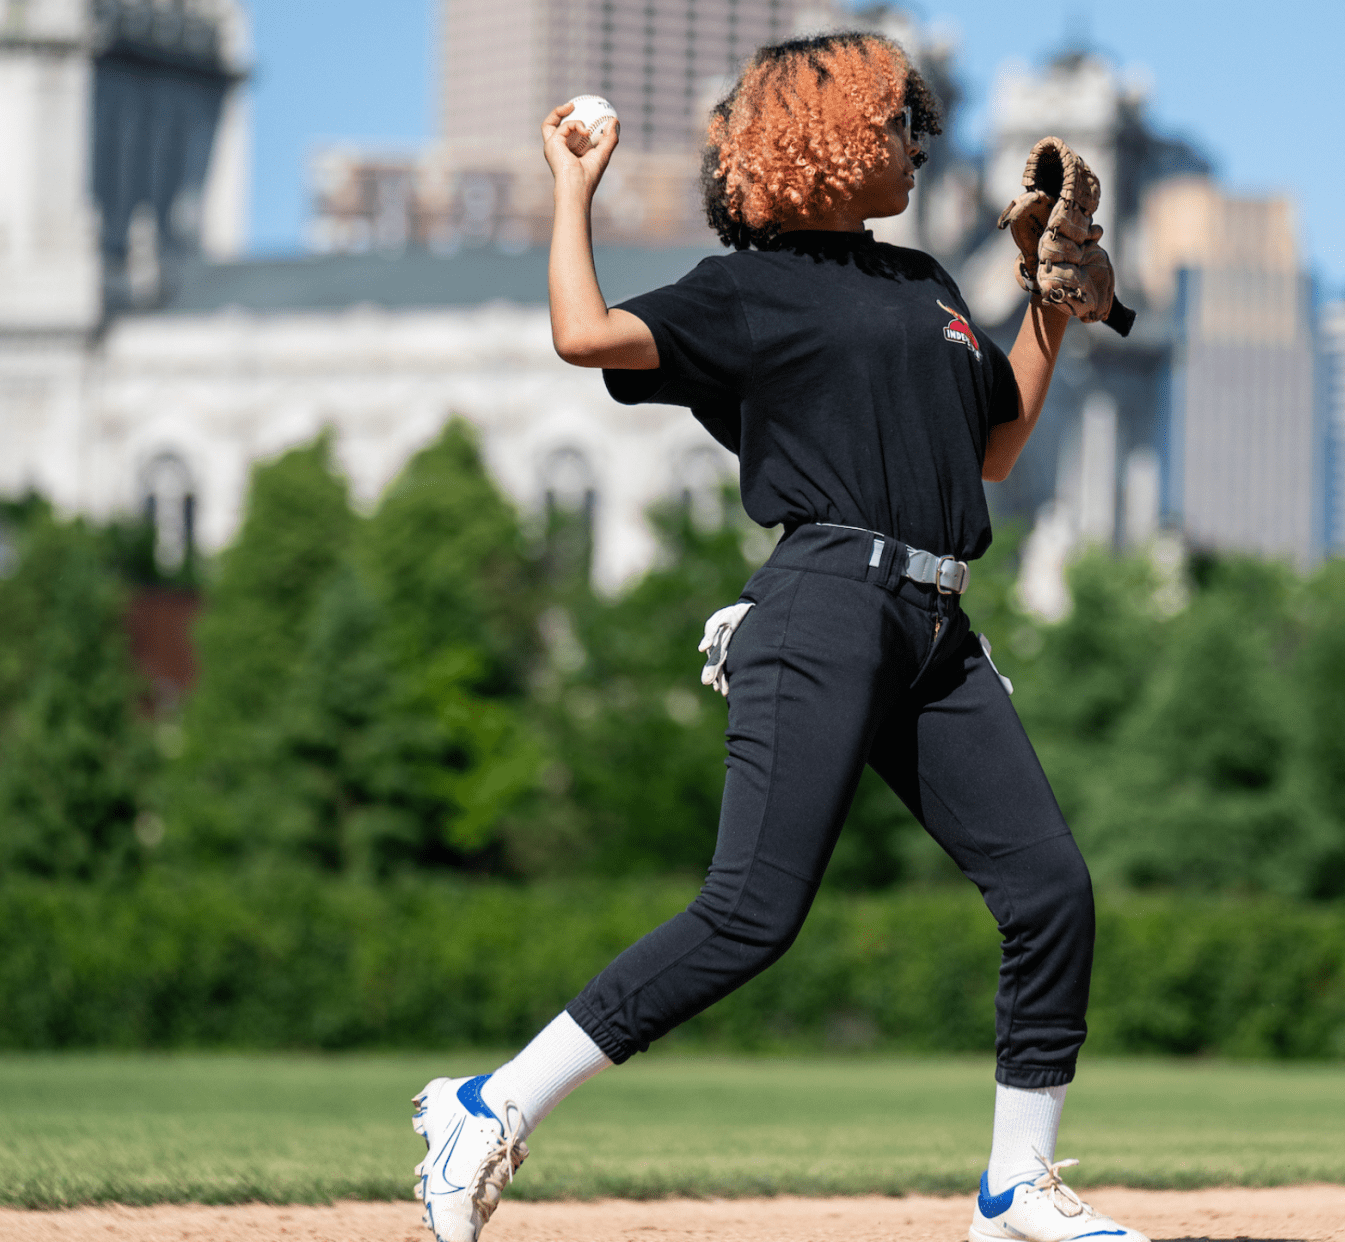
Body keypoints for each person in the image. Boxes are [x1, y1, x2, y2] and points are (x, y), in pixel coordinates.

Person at [411, 31, 1147, 1242]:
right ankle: (489, 1106)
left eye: (921, 124)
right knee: (751, 912)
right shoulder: (745, 291)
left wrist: (1045, 301)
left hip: (935, 620)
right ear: (826, 136)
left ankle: (1018, 1185)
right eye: (899, 121)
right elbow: (586, 336)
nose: (920, 142)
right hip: (824, 607)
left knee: (1049, 890)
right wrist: (574, 190)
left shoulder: (926, 286)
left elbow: (996, 450)